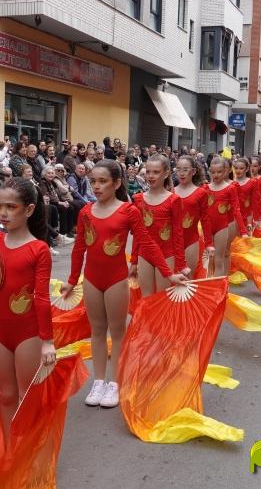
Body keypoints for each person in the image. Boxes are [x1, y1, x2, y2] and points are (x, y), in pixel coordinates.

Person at [61, 160, 185, 408]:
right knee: (97, 331)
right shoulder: (86, 212)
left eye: (103, 181)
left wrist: (169, 273)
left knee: (117, 333)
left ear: (116, 183)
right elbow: (79, 248)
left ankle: (115, 383)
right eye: (93, 181)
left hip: (116, 280)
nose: (96, 186)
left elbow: (148, 243)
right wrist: (72, 280)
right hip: (92, 280)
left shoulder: (128, 212)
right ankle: (99, 381)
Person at [0, 177, 56, 435]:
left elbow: (41, 297)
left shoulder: (39, 249)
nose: (3, 213)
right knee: (6, 395)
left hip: (27, 333)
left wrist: (47, 340)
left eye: (11, 207)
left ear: (28, 210)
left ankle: (29, 454)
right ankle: (9, 451)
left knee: (28, 396)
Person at [129, 154, 187, 297]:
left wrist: (180, 264)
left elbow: (178, 234)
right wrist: (134, 261)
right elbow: (138, 234)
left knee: (162, 298)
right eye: (148, 172)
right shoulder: (138, 199)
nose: (150, 176)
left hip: (167, 254)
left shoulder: (173, 200)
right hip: (145, 255)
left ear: (166, 173)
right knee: (146, 298)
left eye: (156, 172)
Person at [204, 156, 247, 276]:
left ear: (226, 171)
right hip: (207, 227)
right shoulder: (205, 188)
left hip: (223, 226)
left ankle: (221, 288)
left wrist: (243, 230)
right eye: (213, 172)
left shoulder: (230, 188)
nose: (215, 175)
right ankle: (209, 287)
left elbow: (236, 209)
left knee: (220, 258)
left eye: (219, 172)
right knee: (208, 259)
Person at [174, 155, 213, 277]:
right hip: (171, 242)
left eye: (185, 170)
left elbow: (205, 219)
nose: (181, 173)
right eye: (178, 169)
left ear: (194, 171)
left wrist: (209, 244)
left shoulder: (201, 193)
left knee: (187, 280)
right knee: (171, 280)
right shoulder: (170, 192)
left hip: (191, 241)